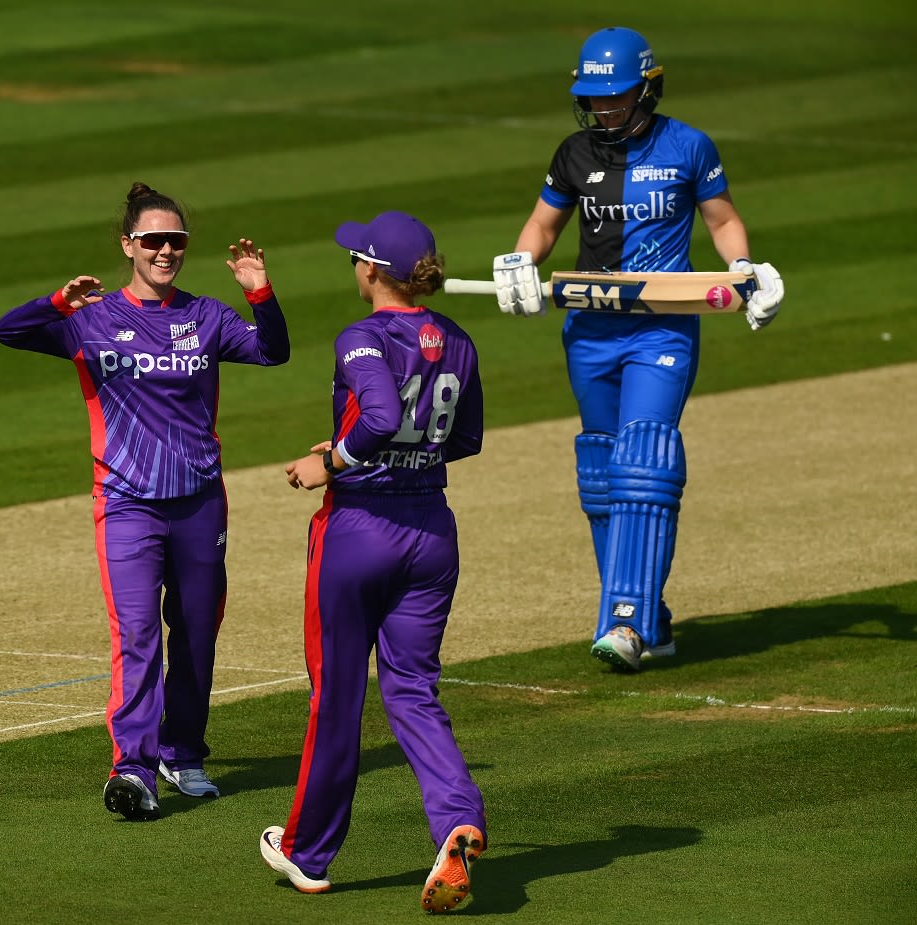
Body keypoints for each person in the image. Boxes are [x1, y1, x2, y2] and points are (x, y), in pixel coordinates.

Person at [0, 182, 290, 820]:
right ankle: (133, 767)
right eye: (152, 240)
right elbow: (6, 332)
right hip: (126, 504)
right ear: (127, 245)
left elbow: (272, 352)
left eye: (175, 242)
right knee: (137, 637)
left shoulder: (206, 316)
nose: (164, 251)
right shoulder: (89, 320)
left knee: (196, 638)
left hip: (199, 504)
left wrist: (259, 291)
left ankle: (183, 754)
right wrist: (56, 301)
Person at [491, 27, 785, 671]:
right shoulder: (573, 153)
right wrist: (520, 260)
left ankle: (624, 624)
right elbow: (543, 224)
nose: (602, 110)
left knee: (643, 464)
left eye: (614, 98)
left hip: (662, 328)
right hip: (589, 332)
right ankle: (653, 620)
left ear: (648, 89)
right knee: (602, 477)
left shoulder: (687, 146)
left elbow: (722, 219)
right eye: (593, 99)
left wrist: (745, 269)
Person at [259, 211, 488, 913]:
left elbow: (382, 417)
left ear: (370, 269)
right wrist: (401, 456)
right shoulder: (457, 339)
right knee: (414, 690)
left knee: (336, 696)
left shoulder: (361, 336)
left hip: (361, 529)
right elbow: (465, 437)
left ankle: (308, 852)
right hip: (433, 530)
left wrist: (330, 458)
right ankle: (457, 819)